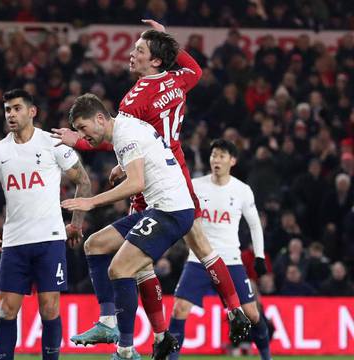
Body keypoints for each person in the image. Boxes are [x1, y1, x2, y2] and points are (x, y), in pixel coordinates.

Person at [52, 20, 251, 353]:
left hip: (154, 179)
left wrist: (83, 146)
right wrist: (167, 39)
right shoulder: (177, 80)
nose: (131, 55)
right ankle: (232, 310)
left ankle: (144, 340)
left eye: (139, 50)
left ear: (155, 60)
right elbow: (196, 71)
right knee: (201, 245)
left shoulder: (133, 102)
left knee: (132, 264)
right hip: (173, 163)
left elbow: (115, 135)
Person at [61, 93, 195, 360]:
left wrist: (91, 202)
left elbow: (136, 184)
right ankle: (109, 321)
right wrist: (121, 167)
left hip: (171, 209)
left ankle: (125, 350)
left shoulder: (125, 134)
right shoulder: (126, 127)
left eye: (83, 128)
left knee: (119, 268)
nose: (82, 136)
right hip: (158, 207)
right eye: (78, 131)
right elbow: (144, 156)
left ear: (100, 118)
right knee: (95, 245)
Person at [0, 88, 91, 360]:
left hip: (50, 239)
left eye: (17, 108)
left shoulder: (52, 143)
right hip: (14, 243)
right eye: (7, 110)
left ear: (32, 111)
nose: (11, 114)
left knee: (49, 309)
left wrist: (75, 223)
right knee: (6, 310)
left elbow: (83, 181)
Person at [167, 139, 271, 360]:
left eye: (222, 156)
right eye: (214, 155)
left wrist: (259, 257)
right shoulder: (195, 185)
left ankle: (266, 357)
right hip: (199, 259)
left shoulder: (242, 190)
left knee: (252, 314)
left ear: (232, 161)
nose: (216, 159)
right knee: (179, 309)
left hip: (230, 260)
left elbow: (254, 224)